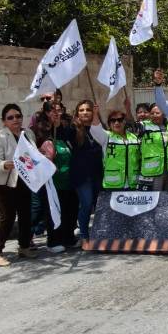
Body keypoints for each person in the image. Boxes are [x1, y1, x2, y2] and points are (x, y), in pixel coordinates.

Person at [0, 104, 37, 267]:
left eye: (18, 116)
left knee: (25, 214)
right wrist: (5, 165)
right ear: (4, 121)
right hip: (3, 182)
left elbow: (32, 155)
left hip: (24, 180)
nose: (15, 120)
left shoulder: (28, 133)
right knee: (7, 216)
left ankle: (24, 246)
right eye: (10, 117)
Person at [58, 100, 103, 244]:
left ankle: (100, 233)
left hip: (98, 173)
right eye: (81, 110)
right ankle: (84, 234)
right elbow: (61, 132)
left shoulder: (99, 128)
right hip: (81, 176)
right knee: (87, 204)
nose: (85, 112)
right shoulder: (73, 129)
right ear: (77, 113)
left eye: (88, 109)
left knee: (99, 204)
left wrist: (97, 118)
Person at [38, 102, 77, 251]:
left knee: (69, 209)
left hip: (68, 178)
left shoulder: (65, 130)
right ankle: (53, 241)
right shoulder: (41, 130)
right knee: (54, 210)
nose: (57, 114)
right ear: (47, 113)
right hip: (52, 180)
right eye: (53, 111)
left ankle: (68, 237)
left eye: (59, 110)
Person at [90, 106, 141, 191]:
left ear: (124, 122)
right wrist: (95, 114)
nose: (116, 123)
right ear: (109, 123)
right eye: (113, 121)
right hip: (113, 186)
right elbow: (95, 129)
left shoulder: (134, 137)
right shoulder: (106, 137)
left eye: (120, 120)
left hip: (133, 184)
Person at [139, 104, 168, 191]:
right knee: (154, 198)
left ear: (164, 114)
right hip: (153, 171)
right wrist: (127, 108)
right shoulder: (144, 126)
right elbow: (130, 124)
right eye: (152, 113)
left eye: (157, 113)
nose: (154, 115)